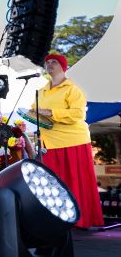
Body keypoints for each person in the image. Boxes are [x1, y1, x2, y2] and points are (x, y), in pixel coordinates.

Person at [31, 54, 104, 229]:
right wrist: (30, 114)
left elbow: (78, 114)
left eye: (54, 62)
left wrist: (51, 112)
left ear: (63, 67)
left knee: (76, 181)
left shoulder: (73, 89)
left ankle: (80, 219)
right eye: (47, 62)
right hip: (49, 142)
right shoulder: (40, 91)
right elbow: (34, 111)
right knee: (53, 183)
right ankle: (57, 220)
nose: (49, 64)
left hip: (73, 140)